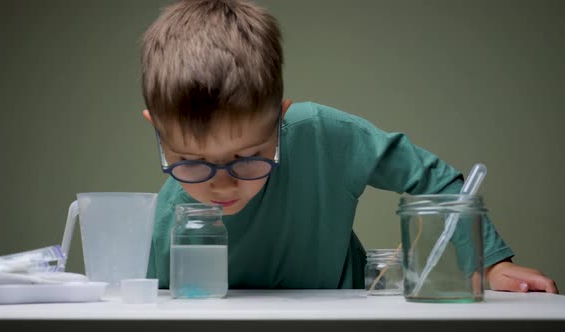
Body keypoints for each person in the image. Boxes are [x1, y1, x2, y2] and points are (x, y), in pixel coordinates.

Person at [140, 0, 558, 293]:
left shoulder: (323, 135)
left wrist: (491, 264)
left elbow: (431, 178)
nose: (223, 185)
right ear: (157, 130)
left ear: (280, 117)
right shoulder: (169, 225)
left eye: (248, 158)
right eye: (192, 164)